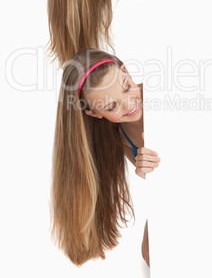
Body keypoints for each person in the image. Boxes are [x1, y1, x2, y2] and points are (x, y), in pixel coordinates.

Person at [51, 48, 160, 267]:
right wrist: (148, 172)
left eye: (126, 87)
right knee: (150, 252)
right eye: (112, 106)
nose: (128, 104)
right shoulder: (119, 135)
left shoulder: (162, 97)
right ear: (93, 113)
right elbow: (164, 183)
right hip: (177, 196)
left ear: (126, 71)